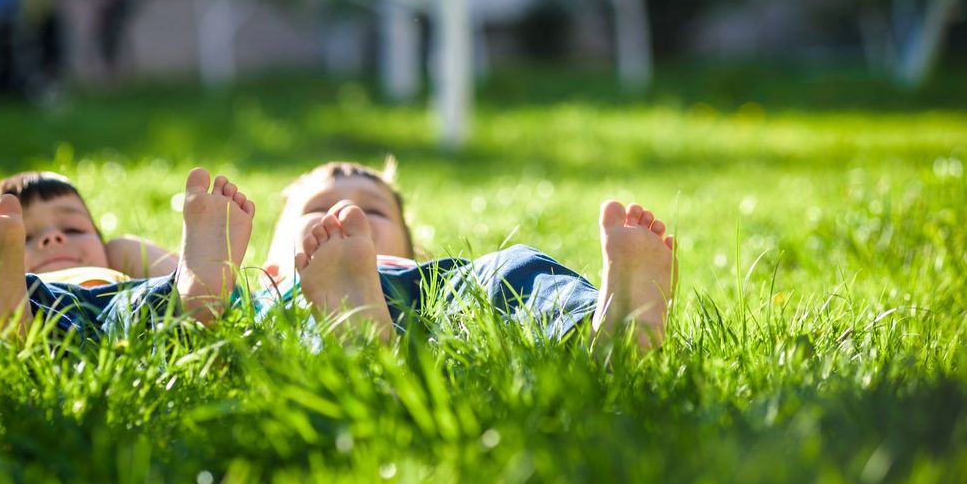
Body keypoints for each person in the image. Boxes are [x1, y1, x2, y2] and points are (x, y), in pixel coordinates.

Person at [260, 161, 677, 349]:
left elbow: (485, 279)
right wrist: (200, 286)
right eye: (318, 210)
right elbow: (207, 327)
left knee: (513, 267)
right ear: (270, 268)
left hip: (430, 294)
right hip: (313, 295)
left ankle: (605, 325)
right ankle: (354, 330)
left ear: (412, 250)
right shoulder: (269, 291)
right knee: (300, 311)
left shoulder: (433, 274)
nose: (348, 219)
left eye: (373, 211)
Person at [0, 168, 254, 349]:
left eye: (74, 230)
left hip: (121, 305)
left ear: (101, 241)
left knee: (162, 296)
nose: (54, 237)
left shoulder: (118, 258)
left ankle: (196, 302)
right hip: (31, 304)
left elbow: (174, 271)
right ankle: (3, 321)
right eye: (24, 238)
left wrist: (126, 249)